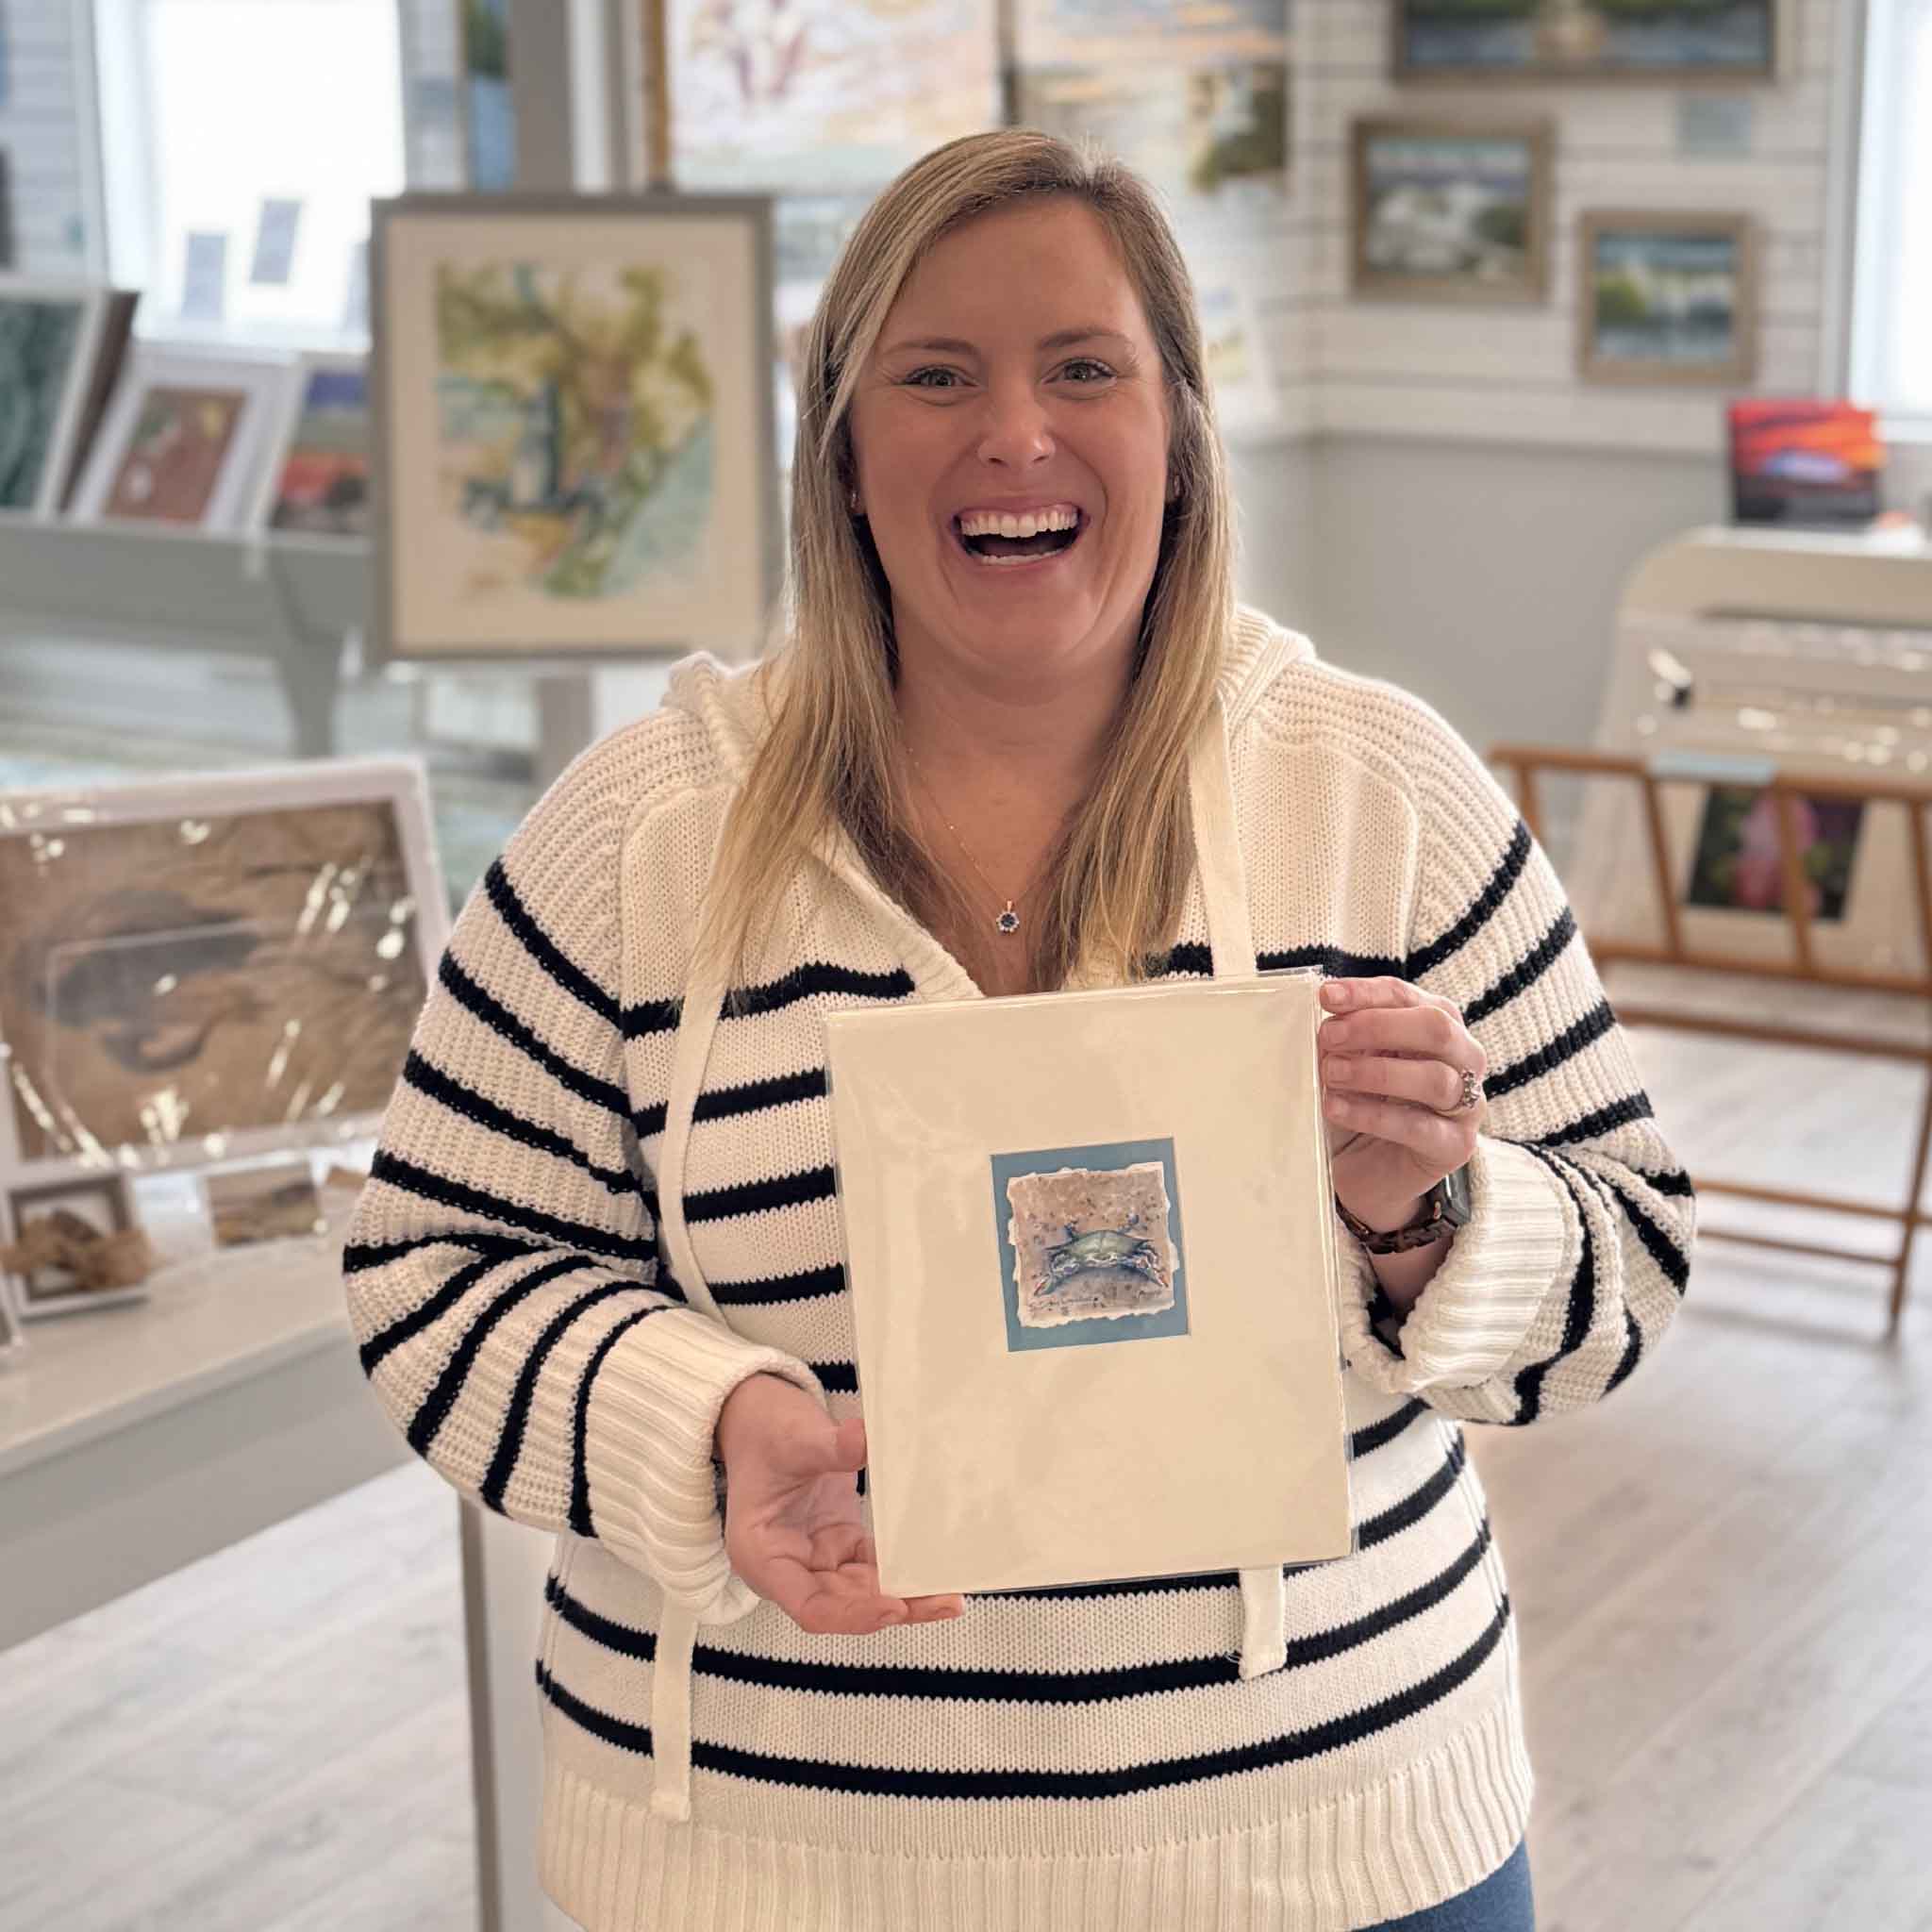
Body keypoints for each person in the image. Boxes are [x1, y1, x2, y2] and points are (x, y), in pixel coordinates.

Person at [344, 129, 1692, 1931]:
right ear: (840, 441)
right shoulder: (633, 843)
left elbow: (1637, 1258)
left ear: (1180, 426)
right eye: (934, 376)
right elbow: (433, 1269)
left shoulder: (1378, 795)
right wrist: (710, 1416)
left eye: (1083, 369)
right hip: (769, 1867)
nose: (1015, 437)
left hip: (1326, 1843)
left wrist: (1421, 1217)